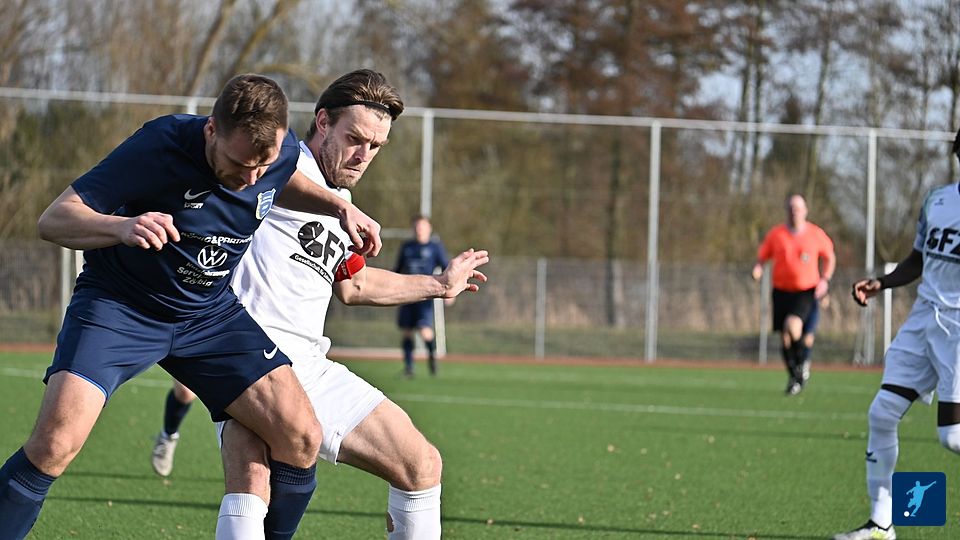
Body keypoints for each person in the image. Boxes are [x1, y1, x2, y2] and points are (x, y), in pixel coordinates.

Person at [0, 73, 383, 539]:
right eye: (239, 164)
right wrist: (121, 227)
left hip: (209, 315)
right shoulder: (159, 145)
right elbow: (54, 219)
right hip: (122, 306)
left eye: (261, 167)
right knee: (54, 445)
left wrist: (339, 207)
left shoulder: (275, 153)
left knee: (301, 436)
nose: (250, 180)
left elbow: (280, 179)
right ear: (211, 130)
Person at [208, 69, 488, 539]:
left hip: (309, 365)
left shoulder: (342, 199)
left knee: (421, 466)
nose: (364, 155)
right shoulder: (279, 161)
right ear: (322, 122)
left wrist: (440, 285)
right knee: (253, 480)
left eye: (376, 145)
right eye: (354, 138)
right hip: (247, 356)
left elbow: (354, 285)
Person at [834, 131, 960, 540]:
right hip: (924, 320)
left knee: (953, 437)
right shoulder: (937, 200)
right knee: (882, 413)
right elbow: (920, 258)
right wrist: (882, 283)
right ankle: (881, 525)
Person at [751, 193, 836, 395]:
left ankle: (802, 363)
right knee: (785, 338)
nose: (794, 212)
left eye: (798, 208)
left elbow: (829, 257)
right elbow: (762, 256)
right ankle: (795, 377)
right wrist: (758, 268)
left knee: (793, 325)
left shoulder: (815, 234)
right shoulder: (776, 234)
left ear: (805, 211)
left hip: (805, 291)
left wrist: (825, 280)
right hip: (781, 292)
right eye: (791, 208)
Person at [395, 215, 450, 377]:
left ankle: (432, 359)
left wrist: (450, 291)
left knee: (424, 330)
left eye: (422, 226)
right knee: (406, 331)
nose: (419, 230)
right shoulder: (407, 247)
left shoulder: (435, 247)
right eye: (417, 227)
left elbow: (446, 268)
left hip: (424, 296)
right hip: (405, 294)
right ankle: (409, 367)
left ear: (429, 228)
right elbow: (397, 269)